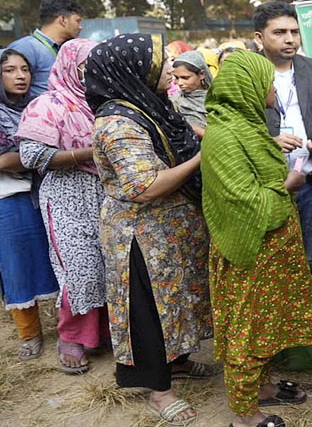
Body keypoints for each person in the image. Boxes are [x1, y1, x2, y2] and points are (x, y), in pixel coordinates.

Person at [86, 34, 212, 427]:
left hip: (170, 229)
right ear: (133, 68)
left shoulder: (149, 105)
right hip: (139, 235)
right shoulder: (118, 121)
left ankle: (177, 361)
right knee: (148, 309)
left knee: (174, 302)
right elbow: (143, 187)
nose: (170, 69)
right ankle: (159, 391)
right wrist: (202, 160)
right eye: (161, 62)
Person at [202, 50, 312, 427]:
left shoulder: (248, 125)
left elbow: (252, 173)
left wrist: (273, 148)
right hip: (250, 250)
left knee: (265, 324)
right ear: (250, 86)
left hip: (269, 249)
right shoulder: (224, 135)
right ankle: (244, 414)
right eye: (267, 80)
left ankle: (262, 387)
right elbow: (245, 201)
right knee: (247, 330)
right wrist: (287, 185)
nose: (273, 86)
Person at [15, 38, 109, 374]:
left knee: (109, 266)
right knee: (79, 269)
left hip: (106, 192)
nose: (93, 71)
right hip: (67, 196)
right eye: (87, 64)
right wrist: (91, 153)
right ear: (71, 65)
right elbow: (32, 156)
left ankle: (105, 334)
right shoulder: (47, 105)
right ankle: (71, 336)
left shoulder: (104, 101)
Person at [255, 1, 312, 286]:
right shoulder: (246, 73)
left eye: (294, 31)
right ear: (259, 38)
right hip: (266, 183)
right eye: (279, 32)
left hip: (310, 180)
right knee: (270, 256)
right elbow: (233, 125)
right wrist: (269, 142)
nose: (290, 39)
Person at [0, 48, 59, 361]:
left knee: (55, 257)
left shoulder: (35, 107)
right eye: (10, 70)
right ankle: (29, 333)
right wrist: (37, 155)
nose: (20, 76)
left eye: (24, 69)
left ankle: (68, 328)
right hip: (9, 198)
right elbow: (9, 160)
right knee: (16, 266)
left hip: (43, 192)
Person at [7, 0, 83, 93]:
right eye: (77, 21)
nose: (80, 27)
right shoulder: (24, 48)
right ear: (63, 20)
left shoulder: (65, 51)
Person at [171, 50, 213, 138]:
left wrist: (198, 131)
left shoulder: (215, 98)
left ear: (201, 74)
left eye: (185, 78)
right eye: (176, 78)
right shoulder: (175, 101)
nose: (180, 83)